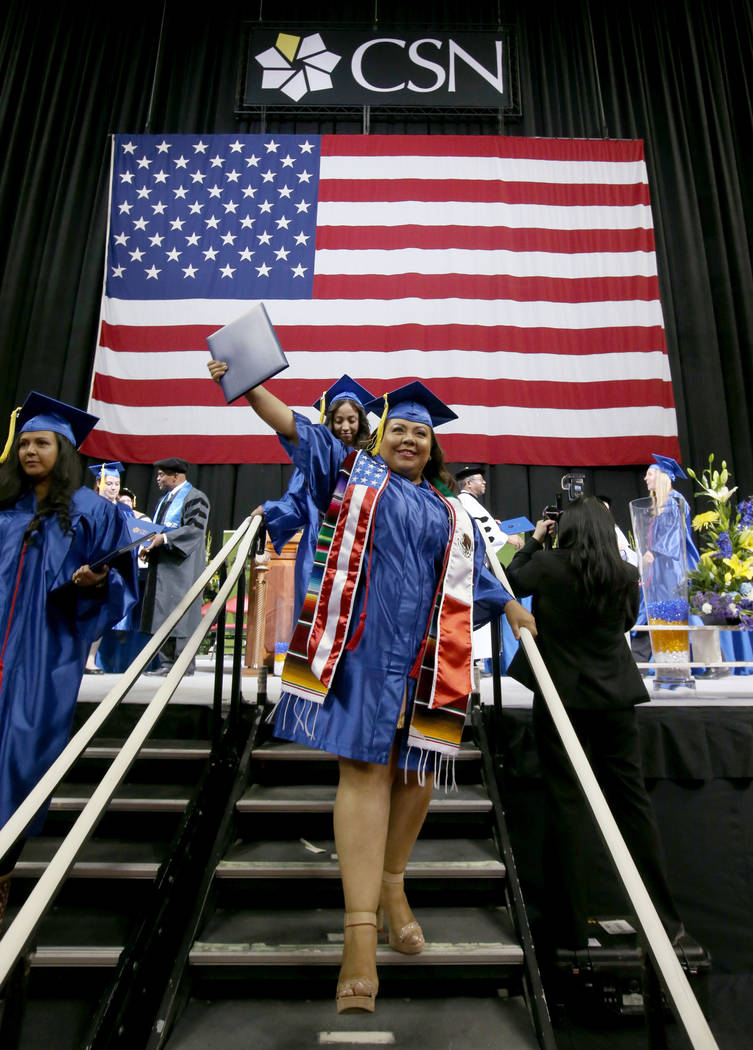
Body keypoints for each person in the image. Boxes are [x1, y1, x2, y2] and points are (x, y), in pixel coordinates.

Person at [207, 360, 536, 1014]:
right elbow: (294, 429)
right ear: (379, 435)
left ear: (432, 447)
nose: (409, 439)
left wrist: (516, 607)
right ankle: (360, 931)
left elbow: (479, 583)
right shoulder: (351, 473)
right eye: (399, 429)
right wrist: (247, 384)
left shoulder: (452, 511)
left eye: (421, 433)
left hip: (428, 662)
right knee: (363, 770)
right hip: (360, 654)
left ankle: (392, 886)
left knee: (416, 777)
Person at [506, 497, 686, 952]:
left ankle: (570, 925)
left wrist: (534, 541)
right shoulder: (625, 575)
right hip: (615, 700)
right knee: (633, 805)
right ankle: (665, 919)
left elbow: (510, 579)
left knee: (567, 805)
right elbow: (627, 622)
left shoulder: (547, 565)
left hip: (562, 698)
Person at [0, 393, 138, 927]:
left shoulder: (93, 512)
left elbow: (120, 581)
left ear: (64, 449)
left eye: (43, 443)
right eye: (26, 443)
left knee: (17, 763)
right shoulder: (4, 507)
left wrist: (93, 583)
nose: (31, 451)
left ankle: (3, 881)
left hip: (43, 657)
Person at [256, 375, 374, 625]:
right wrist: (268, 512)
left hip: (358, 554)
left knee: (352, 623)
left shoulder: (372, 463)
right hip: (317, 550)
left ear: (361, 423)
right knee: (313, 624)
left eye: (351, 420)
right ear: (329, 423)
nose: (345, 427)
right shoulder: (315, 463)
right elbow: (296, 504)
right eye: (339, 420)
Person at [140, 458, 210, 676]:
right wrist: (148, 545)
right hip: (163, 565)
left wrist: (164, 539)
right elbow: (157, 530)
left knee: (181, 613)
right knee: (162, 613)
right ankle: (167, 663)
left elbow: (195, 530)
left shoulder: (195, 497)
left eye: (161, 475)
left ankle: (182, 665)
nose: (158, 480)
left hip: (182, 566)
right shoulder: (165, 500)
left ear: (175, 476)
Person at [456, 465, 526, 673]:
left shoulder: (468, 503)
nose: (484, 482)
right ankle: (474, 661)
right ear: (468, 483)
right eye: (480, 480)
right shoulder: (467, 502)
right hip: (477, 569)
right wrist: (507, 537)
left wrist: (496, 526)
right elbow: (485, 535)